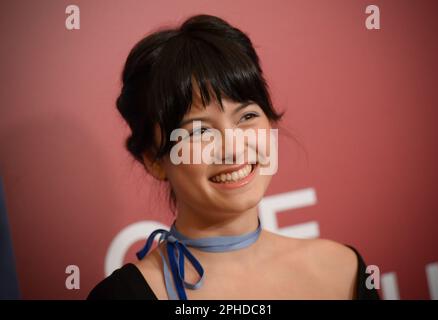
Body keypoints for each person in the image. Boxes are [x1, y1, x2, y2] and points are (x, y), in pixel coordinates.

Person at [87, 14, 380, 300]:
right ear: (153, 159)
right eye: (199, 131)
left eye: (247, 116)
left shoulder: (344, 271)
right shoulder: (122, 296)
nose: (233, 147)